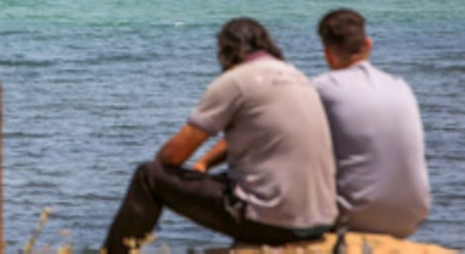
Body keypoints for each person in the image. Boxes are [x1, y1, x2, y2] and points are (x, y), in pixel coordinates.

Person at [103, 18, 337, 253]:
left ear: (226, 50)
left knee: (149, 176)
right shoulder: (299, 78)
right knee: (234, 178)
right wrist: (205, 162)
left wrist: (168, 178)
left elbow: (173, 157)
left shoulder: (236, 80)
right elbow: (262, 132)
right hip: (319, 220)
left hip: (272, 222)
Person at [314, 9, 430, 237]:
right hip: (412, 216)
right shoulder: (400, 86)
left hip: (354, 217)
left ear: (327, 55)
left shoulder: (322, 87)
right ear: (369, 45)